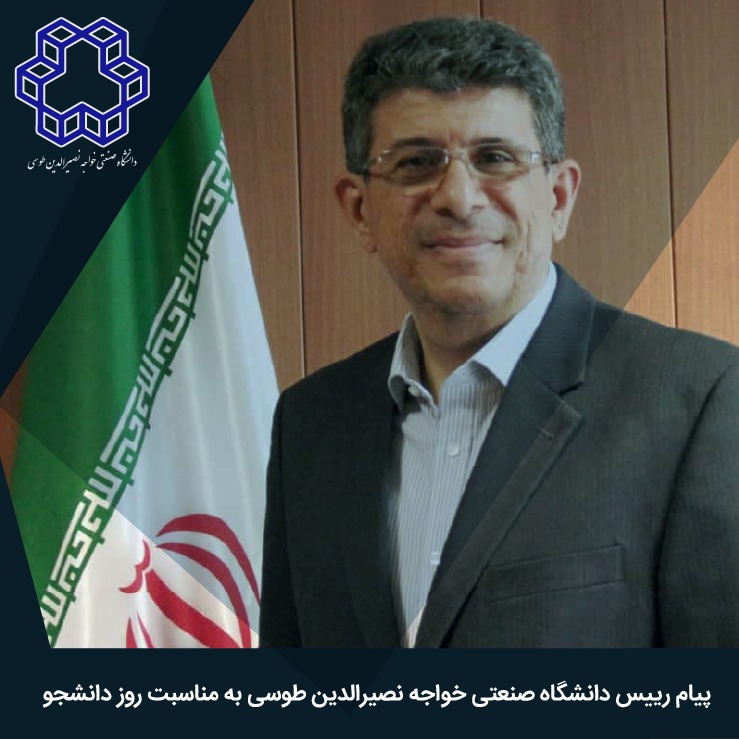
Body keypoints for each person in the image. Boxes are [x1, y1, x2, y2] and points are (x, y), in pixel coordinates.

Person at [259, 17, 739, 647]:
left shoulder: (701, 400)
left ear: (558, 198)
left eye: (496, 159)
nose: (459, 198)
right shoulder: (310, 422)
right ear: (359, 210)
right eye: (416, 163)